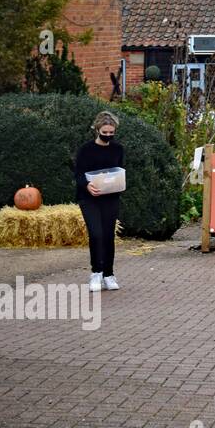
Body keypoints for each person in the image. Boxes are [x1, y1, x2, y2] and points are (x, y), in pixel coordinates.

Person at [75, 111, 125, 292]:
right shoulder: (86, 150)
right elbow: (78, 174)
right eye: (105, 133)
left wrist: (119, 183)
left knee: (108, 235)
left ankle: (109, 274)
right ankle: (96, 272)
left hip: (110, 197)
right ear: (97, 130)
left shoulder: (118, 149)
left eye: (112, 133)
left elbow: (119, 170)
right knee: (96, 234)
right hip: (89, 198)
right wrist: (87, 186)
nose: (108, 136)